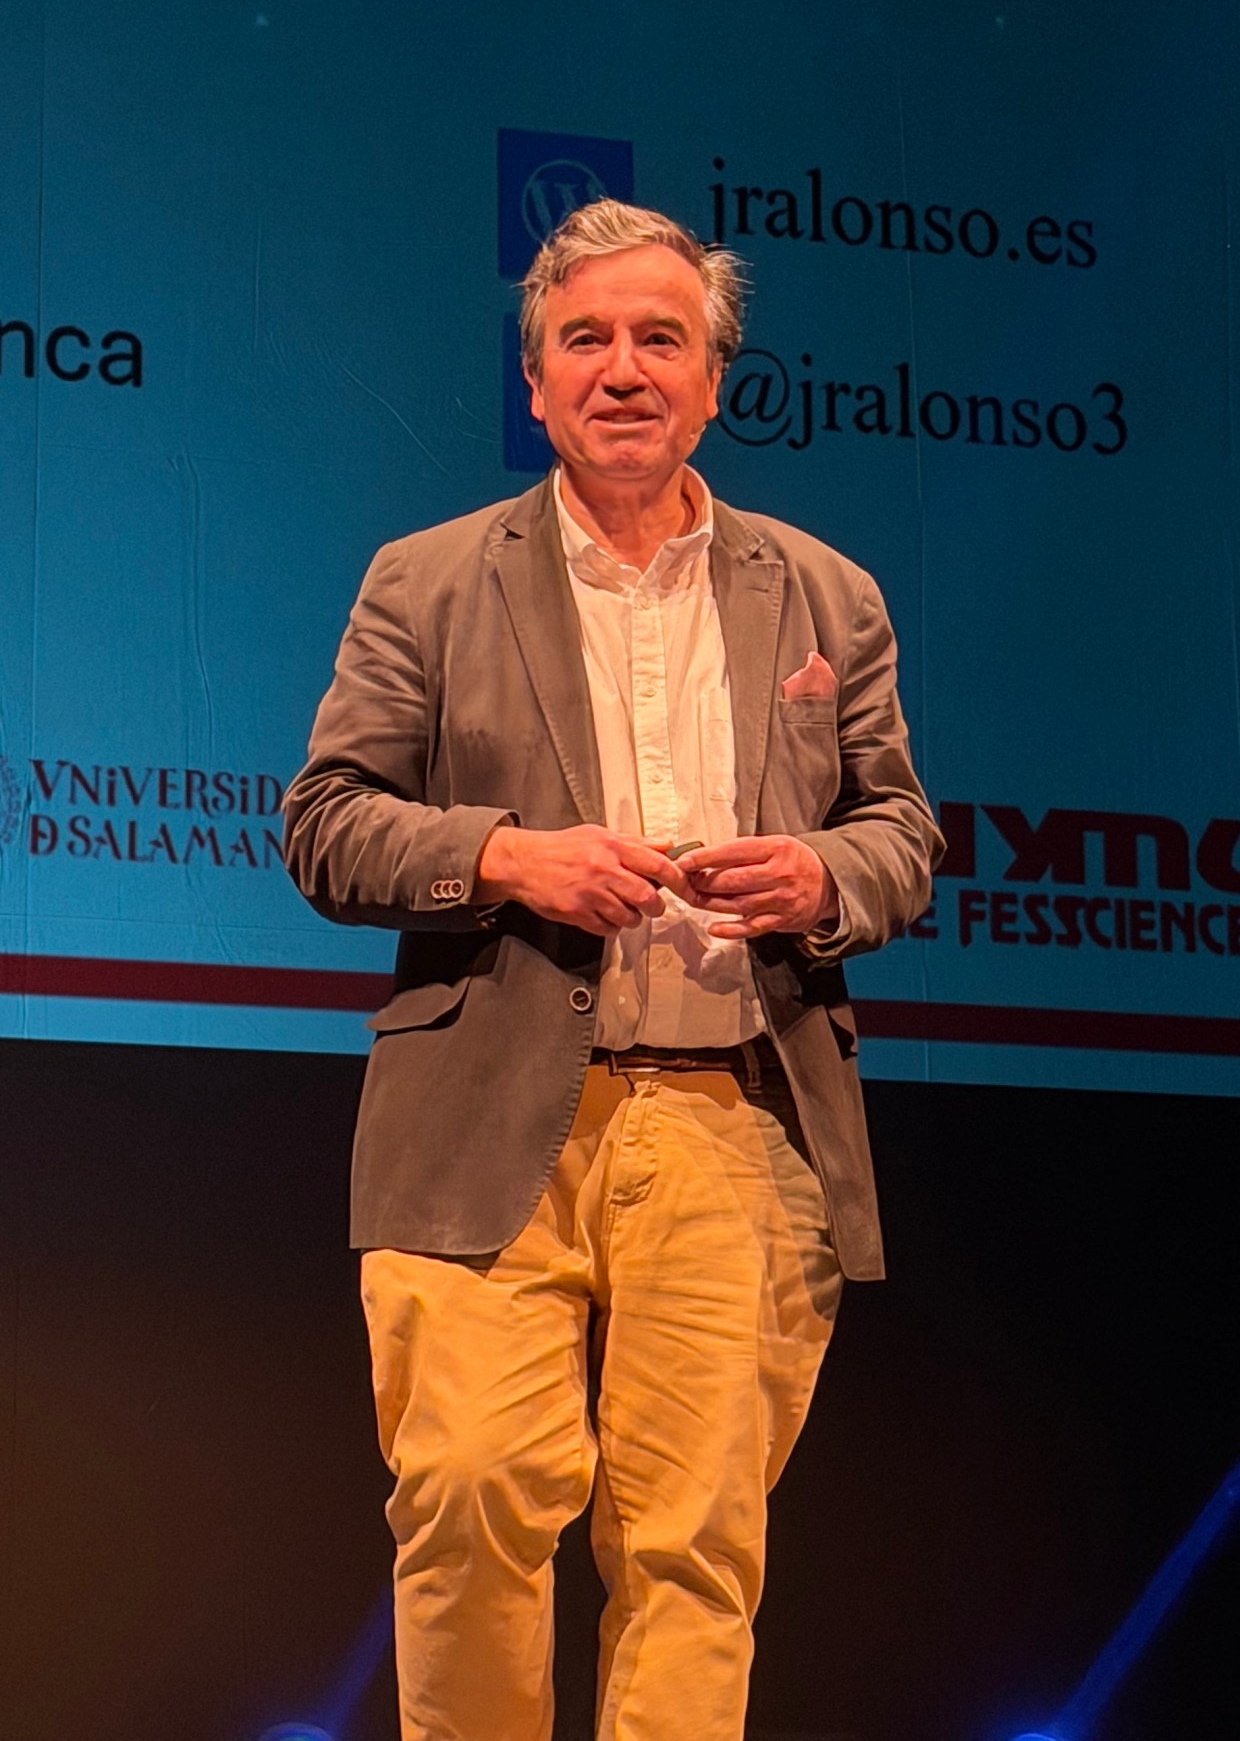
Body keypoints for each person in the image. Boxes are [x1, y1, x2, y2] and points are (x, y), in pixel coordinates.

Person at [283, 198, 943, 1741]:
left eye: (664, 338)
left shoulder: (823, 593)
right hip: (489, 1109)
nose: (625, 368)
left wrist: (823, 875)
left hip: (734, 1118)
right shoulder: (429, 580)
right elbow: (327, 826)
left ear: (717, 379)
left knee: (692, 1544)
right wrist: (508, 857)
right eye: (587, 338)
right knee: (470, 1491)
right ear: (535, 384)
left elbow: (897, 825)